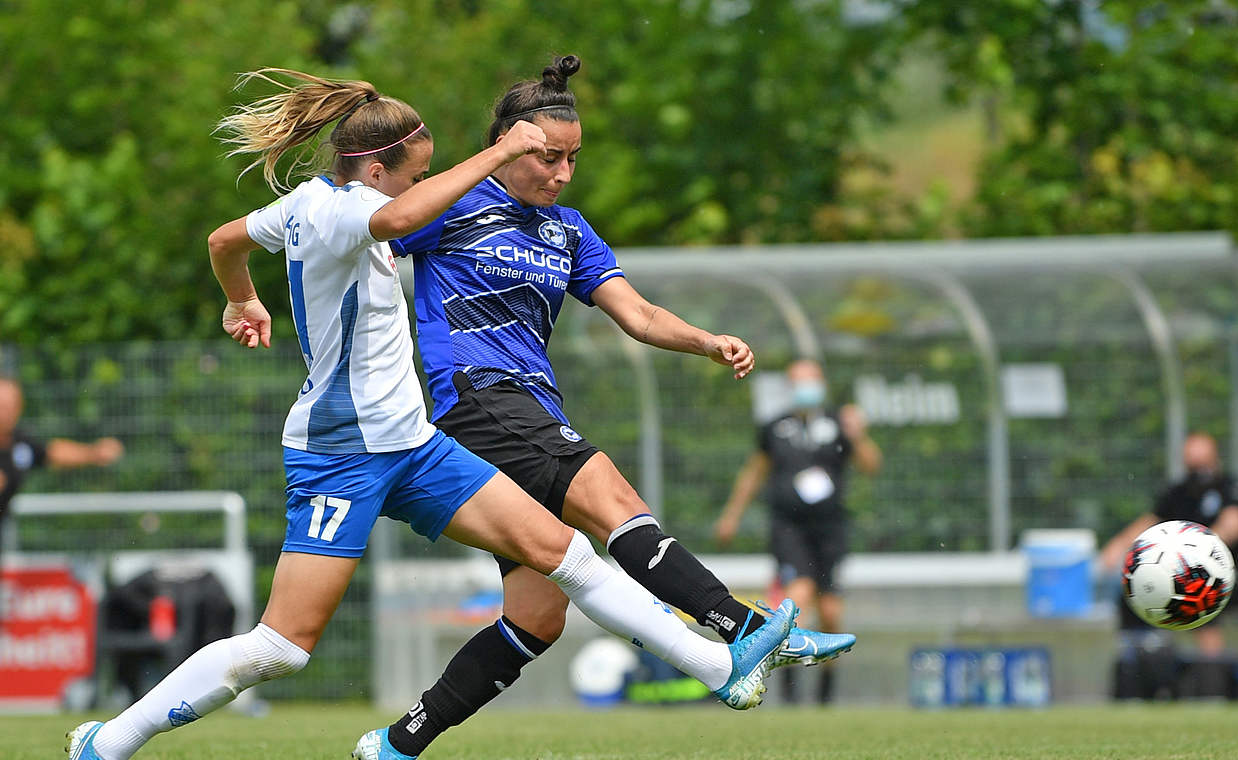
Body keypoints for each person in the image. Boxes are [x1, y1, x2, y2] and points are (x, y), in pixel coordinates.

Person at [66, 67, 797, 760]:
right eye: (417, 170)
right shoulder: (340, 209)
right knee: (283, 648)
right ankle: (107, 742)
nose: (425, 186)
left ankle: (719, 666)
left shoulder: (311, 203)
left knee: (565, 555)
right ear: (378, 170)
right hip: (342, 451)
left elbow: (223, 240)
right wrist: (503, 149)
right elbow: (404, 216)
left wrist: (240, 296)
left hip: (412, 442)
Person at [355, 55, 854, 760]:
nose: (561, 174)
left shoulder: (569, 230)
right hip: (477, 398)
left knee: (538, 614)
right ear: (510, 143)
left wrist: (705, 341)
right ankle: (741, 629)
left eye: (573, 160)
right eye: (547, 157)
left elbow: (640, 314)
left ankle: (397, 743)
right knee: (609, 492)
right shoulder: (455, 202)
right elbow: (383, 224)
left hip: (526, 403)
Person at [715, 358, 882, 704]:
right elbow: (754, 472)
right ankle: (791, 696)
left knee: (832, 613)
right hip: (789, 527)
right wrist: (732, 515)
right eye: (798, 381)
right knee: (798, 598)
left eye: (811, 380)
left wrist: (860, 435)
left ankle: (825, 695)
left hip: (830, 528)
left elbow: (870, 466)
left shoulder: (839, 423)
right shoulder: (775, 427)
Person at [1098, 432, 1238, 698]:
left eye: (1202, 464)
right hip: (1177, 573)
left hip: (1227, 577)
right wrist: (1118, 546)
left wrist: (1198, 552)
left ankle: (1211, 685)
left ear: (1215, 458)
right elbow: (1151, 521)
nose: (1197, 472)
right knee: (1132, 591)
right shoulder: (1178, 492)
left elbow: (1233, 524)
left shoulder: (1232, 488)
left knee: (1196, 593)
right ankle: (1141, 674)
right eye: (1191, 465)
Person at [0, 376, 124, 557]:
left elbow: (53, 453)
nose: (5, 412)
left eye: (10, 405)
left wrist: (92, 453)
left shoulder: (19, 444)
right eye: (1, 405)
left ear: (19, 408)